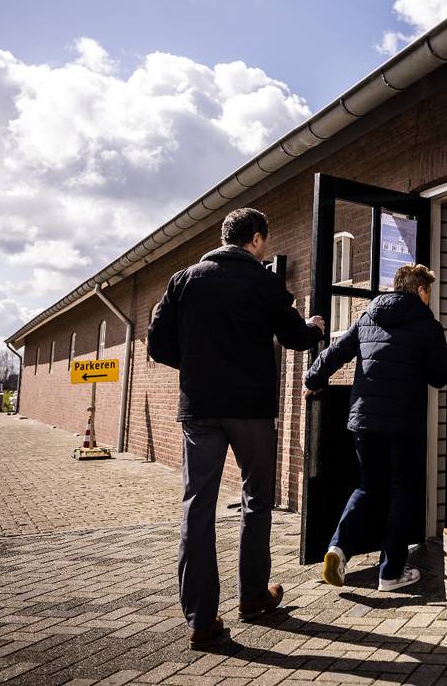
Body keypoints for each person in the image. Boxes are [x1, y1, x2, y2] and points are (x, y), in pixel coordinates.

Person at [147, 207, 325, 649]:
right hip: (251, 412)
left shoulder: (183, 280)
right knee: (255, 501)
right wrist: (314, 327)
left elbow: (158, 343)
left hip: (200, 411)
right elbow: (295, 337)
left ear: (225, 237)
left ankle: (201, 620)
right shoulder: (264, 282)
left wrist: (196, 369)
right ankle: (252, 598)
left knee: (197, 507)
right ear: (258, 239)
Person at [305, 263, 447, 593]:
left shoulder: (368, 316)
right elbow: (438, 378)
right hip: (403, 424)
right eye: (429, 291)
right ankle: (390, 573)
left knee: (368, 486)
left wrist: (312, 379)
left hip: (364, 422)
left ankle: (338, 549)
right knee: (400, 492)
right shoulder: (427, 324)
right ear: (420, 291)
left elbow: (334, 353)